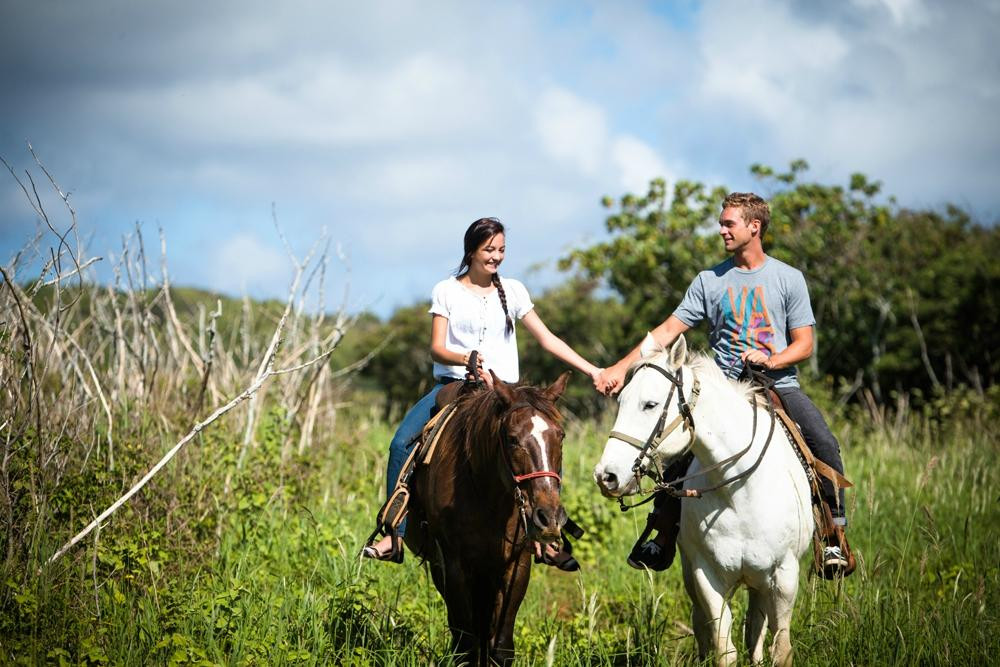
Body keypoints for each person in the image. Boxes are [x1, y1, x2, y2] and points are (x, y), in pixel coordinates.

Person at [598, 192, 852, 576]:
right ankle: (662, 535)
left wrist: (771, 359)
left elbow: (804, 344)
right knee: (674, 458)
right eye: (721, 223)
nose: (721, 230)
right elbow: (667, 331)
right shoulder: (709, 281)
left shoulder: (788, 278)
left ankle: (833, 538)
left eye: (728, 223)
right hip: (722, 392)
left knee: (824, 444)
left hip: (777, 385)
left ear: (755, 226)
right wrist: (621, 367)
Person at [364, 217, 611, 567]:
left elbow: (546, 338)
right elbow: (437, 348)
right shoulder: (446, 290)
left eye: (501, 250)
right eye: (489, 250)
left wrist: (592, 370)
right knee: (400, 443)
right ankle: (395, 532)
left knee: (538, 445)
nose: (496, 257)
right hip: (456, 387)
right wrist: (466, 358)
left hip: (505, 394)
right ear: (471, 251)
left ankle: (546, 533)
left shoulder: (514, 291)